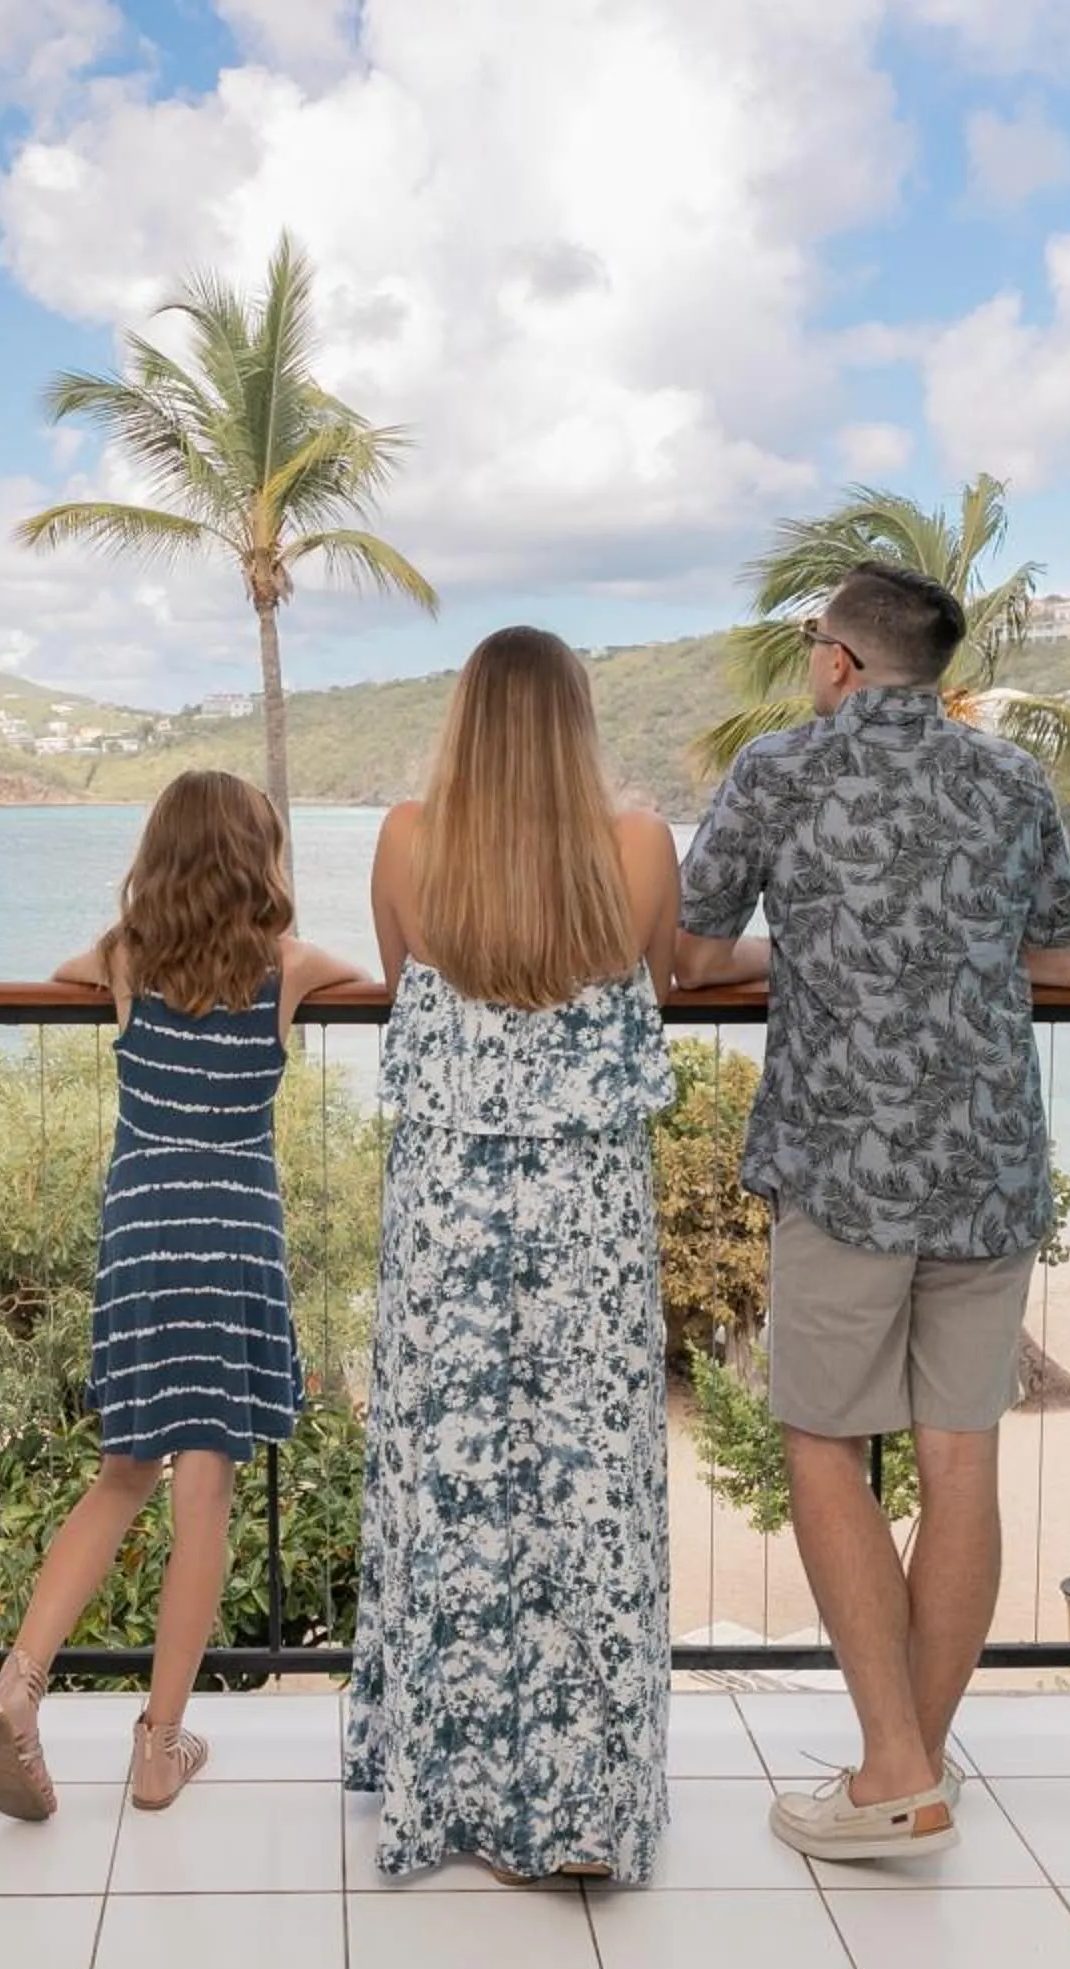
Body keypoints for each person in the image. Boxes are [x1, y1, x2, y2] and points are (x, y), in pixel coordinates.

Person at [678, 559, 1070, 1862]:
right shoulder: (1011, 775)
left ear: (841, 662)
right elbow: (1065, 959)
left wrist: (797, 946)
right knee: (963, 1458)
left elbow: (688, 953)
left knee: (823, 1444)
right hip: (988, 1160)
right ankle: (906, 1766)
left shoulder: (782, 772)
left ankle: (897, 1772)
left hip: (847, 1164)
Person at [344, 626, 683, 1885]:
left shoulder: (406, 842)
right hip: (589, 1222)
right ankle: (592, 1806)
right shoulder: (639, 848)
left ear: (467, 720)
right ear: (579, 724)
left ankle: (454, 1788)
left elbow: (399, 982)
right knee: (591, 1495)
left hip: (449, 1219)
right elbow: (666, 972)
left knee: (455, 1486)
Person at [0, 771, 362, 1821]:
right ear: (260, 858)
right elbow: (368, 978)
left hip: (141, 1228)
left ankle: (17, 1683)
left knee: (120, 1473)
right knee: (205, 1499)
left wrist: (130, 940)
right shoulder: (289, 967)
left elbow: (63, 965)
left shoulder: (124, 960)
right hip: (232, 1238)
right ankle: (158, 1744)